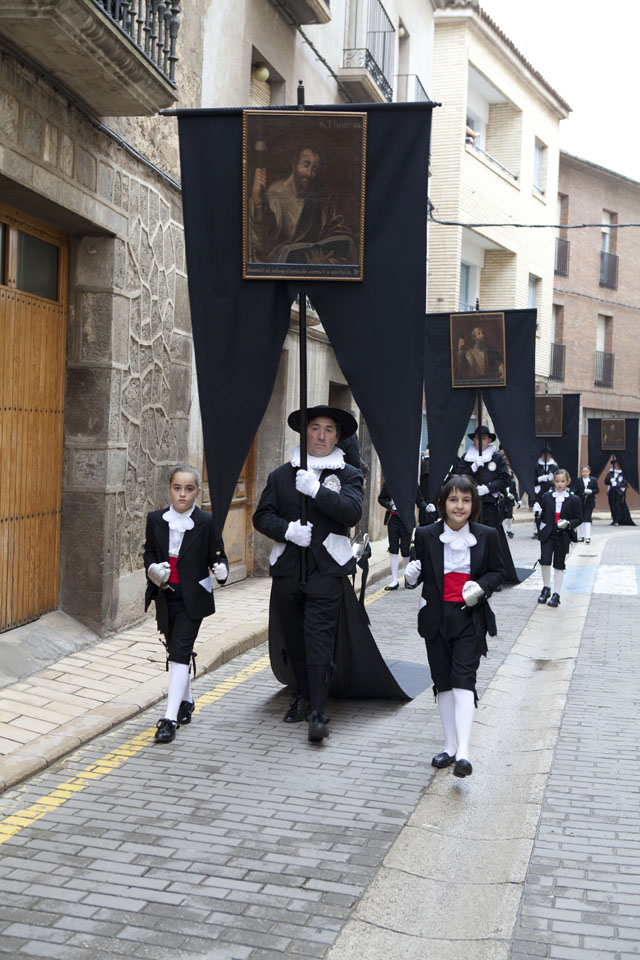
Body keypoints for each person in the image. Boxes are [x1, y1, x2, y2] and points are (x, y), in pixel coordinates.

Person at [252, 404, 363, 743]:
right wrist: (287, 530)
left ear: (337, 437)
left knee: (319, 638)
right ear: (305, 433)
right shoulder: (281, 476)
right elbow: (262, 516)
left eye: (329, 430)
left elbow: (352, 512)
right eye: (315, 428)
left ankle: (317, 711)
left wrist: (318, 491)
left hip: (326, 570)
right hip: (289, 570)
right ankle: (302, 693)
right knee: (295, 637)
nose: (321, 436)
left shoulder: (348, 474)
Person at [404, 475, 504, 778]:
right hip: (436, 618)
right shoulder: (425, 534)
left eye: (466, 500)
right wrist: (411, 576)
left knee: (464, 680)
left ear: (473, 504)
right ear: (442, 503)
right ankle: (449, 746)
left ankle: (463, 753)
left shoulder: (487, 535)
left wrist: (481, 587)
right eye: (453, 500)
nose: (459, 506)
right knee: (443, 683)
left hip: (469, 617)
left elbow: (497, 572)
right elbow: (418, 575)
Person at [144, 464, 229, 744]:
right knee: (175, 649)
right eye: (177, 488)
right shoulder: (156, 519)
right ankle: (186, 702)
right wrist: (153, 569)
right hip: (166, 595)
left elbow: (218, 555)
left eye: (189, 489)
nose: (182, 494)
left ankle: (169, 720)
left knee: (180, 652)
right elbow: (149, 553)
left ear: (197, 492)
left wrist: (222, 570)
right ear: (170, 489)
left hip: (193, 597)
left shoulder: (206, 522)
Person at [248, 145, 356, 266]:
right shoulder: (273, 195)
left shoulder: (322, 201)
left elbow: (338, 233)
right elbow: (261, 242)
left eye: (314, 169)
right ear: (294, 164)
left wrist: (326, 262)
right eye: (306, 165)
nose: (309, 173)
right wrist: (257, 201)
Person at [454, 425, 518, 584]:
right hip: (470, 505)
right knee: (470, 538)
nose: (480, 441)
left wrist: (488, 488)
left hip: (489, 505)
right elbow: (459, 478)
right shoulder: (467, 457)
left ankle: (495, 575)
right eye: (477, 438)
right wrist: (473, 467)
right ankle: (472, 573)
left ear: (489, 440)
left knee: (491, 540)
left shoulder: (497, 457)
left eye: (483, 438)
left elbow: (505, 479)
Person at [536, 468, 582, 608]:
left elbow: (579, 518)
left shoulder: (574, 499)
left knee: (559, 564)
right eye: (557, 481)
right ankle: (546, 588)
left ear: (568, 481)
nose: (560, 484)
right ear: (553, 481)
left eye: (562, 481)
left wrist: (568, 523)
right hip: (548, 533)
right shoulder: (546, 496)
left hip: (562, 535)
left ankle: (556, 594)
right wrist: (538, 514)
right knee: (545, 560)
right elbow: (542, 515)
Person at [378, 480, 428, 590]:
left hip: (407, 520)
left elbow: (420, 501)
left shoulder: (412, 483)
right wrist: (389, 504)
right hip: (393, 519)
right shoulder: (389, 482)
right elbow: (381, 498)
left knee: (405, 550)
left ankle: (407, 578)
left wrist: (426, 507)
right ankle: (394, 580)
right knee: (393, 548)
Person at [532, 444, 558, 539]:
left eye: (547, 455)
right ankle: (538, 530)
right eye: (543, 455)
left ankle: (550, 529)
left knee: (550, 510)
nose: (545, 457)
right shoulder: (537, 466)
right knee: (538, 510)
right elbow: (532, 478)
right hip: (539, 491)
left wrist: (552, 486)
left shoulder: (554, 466)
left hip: (550, 491)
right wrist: (540, 479)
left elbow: (557, 478)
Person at [604, 456, 635, 526]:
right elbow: (606, 482)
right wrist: (610, 481)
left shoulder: (623, 473)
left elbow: (625, 483)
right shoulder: (610, 473)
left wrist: (617, 484)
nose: (617, 465)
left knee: (617, 506)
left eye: (618, 464)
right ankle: (614, 519)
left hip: (619, 493)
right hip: (611, 492)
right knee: (612, 506)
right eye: (615, 464)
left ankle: (617, 520)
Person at [573, 465, 599, 542]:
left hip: (589, 502)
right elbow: (576, 490)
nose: (585, 473)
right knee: (581, 519)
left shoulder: (593, 480)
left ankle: (588, 536)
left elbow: (597, 490)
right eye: (583, 471)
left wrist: (591, 491)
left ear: (589, 472)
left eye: (586, 472)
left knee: (587, 518)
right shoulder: (579, 480)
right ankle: (582, 535)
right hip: (580, 502)